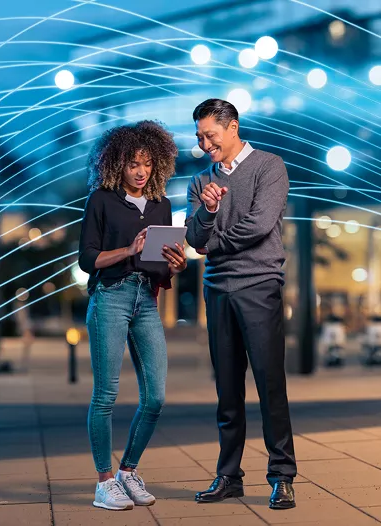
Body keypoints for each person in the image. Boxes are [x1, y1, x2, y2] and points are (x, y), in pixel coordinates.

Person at [185, 99, 297, 510]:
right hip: (217, 290)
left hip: (259, 285)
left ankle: (282, 476)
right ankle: (228, 476)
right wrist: (210, 212)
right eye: (199, 136)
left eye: (210, 134)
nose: (204, 142)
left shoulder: (270, 167)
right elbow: (194, 238)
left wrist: (212, 243)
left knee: (270, 386)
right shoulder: (200, 182)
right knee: (227, 390)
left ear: (232, 127)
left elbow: (260, 224)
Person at [79, 120, 187, 511]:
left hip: (147, 301)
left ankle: (128, 471)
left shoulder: (162, 204)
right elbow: (87, 259)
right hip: (110, 296)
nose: (141, 172)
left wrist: (176, 265)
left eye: (147, 164)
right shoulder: (101, 201)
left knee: (155, 396)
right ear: (117, 165)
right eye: (132, 164)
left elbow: (161, 266)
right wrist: (129, 250)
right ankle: (104, 482)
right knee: (106, 394)